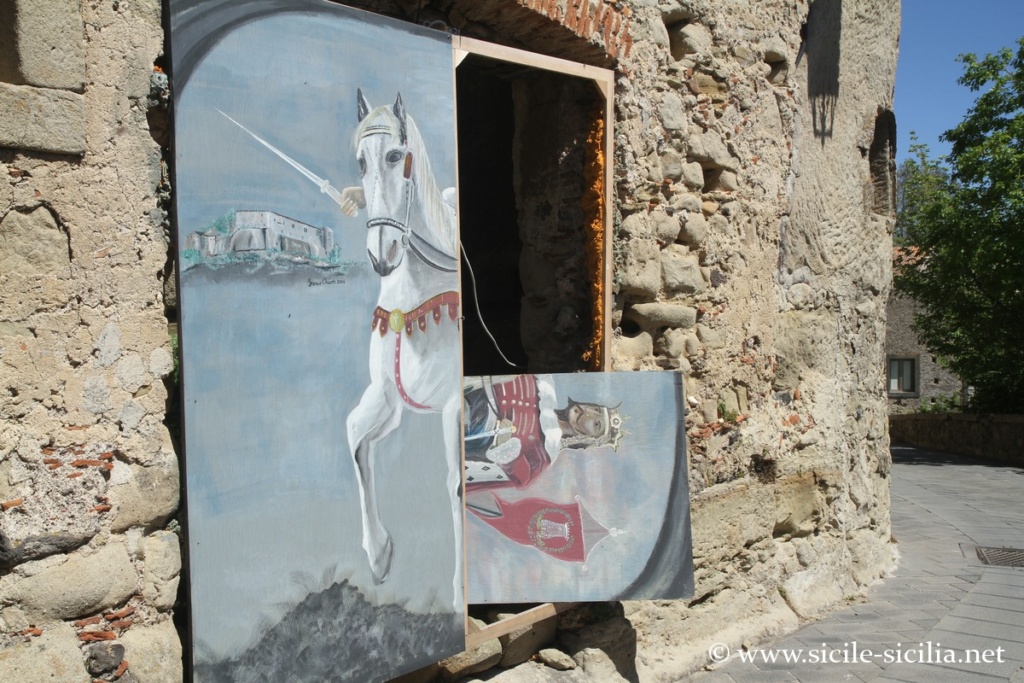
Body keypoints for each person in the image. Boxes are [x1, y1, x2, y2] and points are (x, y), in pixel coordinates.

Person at [463, 374, 623, 492]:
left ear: (590, 440)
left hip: (475, 431)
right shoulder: (543, 385)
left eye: (596, 423)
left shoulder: (545, 453)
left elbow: (523, 478)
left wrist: (504, 447)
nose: (588, 412)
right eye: (595, 409)